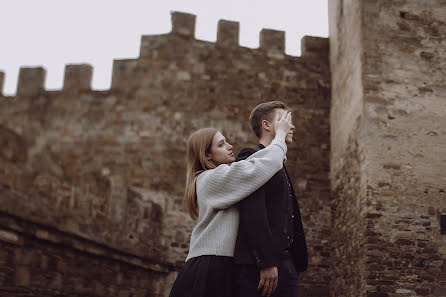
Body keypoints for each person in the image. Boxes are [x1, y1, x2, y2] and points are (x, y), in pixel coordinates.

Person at [169, 110, 294, 297]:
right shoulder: (211, 179)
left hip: (221, 264)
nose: (229, 146)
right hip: (209, 267)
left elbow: (256, 167)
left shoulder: (223, 178)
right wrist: (281, 135)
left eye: (226, 141)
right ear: (208, 156)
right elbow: (259, 167)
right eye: (220, 144)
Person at [232, 101, 308, 297]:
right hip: (263, 268)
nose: (291, 126)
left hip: (288, 264)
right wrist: (266, 263)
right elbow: (253, 214)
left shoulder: (281, 164)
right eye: (284, 120)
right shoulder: (251, 157)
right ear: (266, 125)